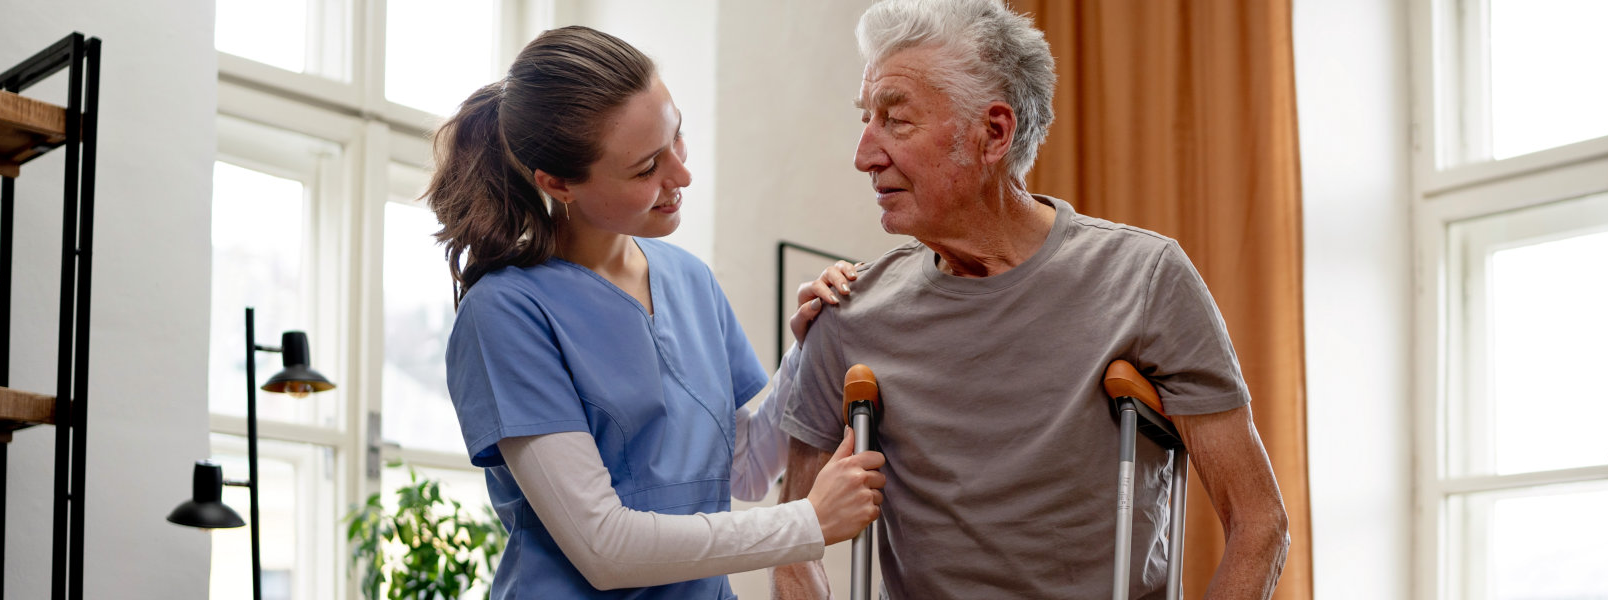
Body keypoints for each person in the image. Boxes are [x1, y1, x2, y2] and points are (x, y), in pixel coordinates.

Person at [773, 1, 1290, 598]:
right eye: (866, 120)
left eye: (896, 121)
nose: (864, 155)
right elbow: (792, 538)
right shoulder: (845, 311)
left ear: (994, 133)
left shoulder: (1147, 279)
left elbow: (1258, 523)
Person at [428, 26, 887, 599]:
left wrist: (810, 344)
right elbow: (604, 548)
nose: (682, 175)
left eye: (678, 138)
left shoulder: (689, 279)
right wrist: (809, 523)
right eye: (647, 168)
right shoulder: (506, 314)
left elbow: (741, 468)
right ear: (558, 182)